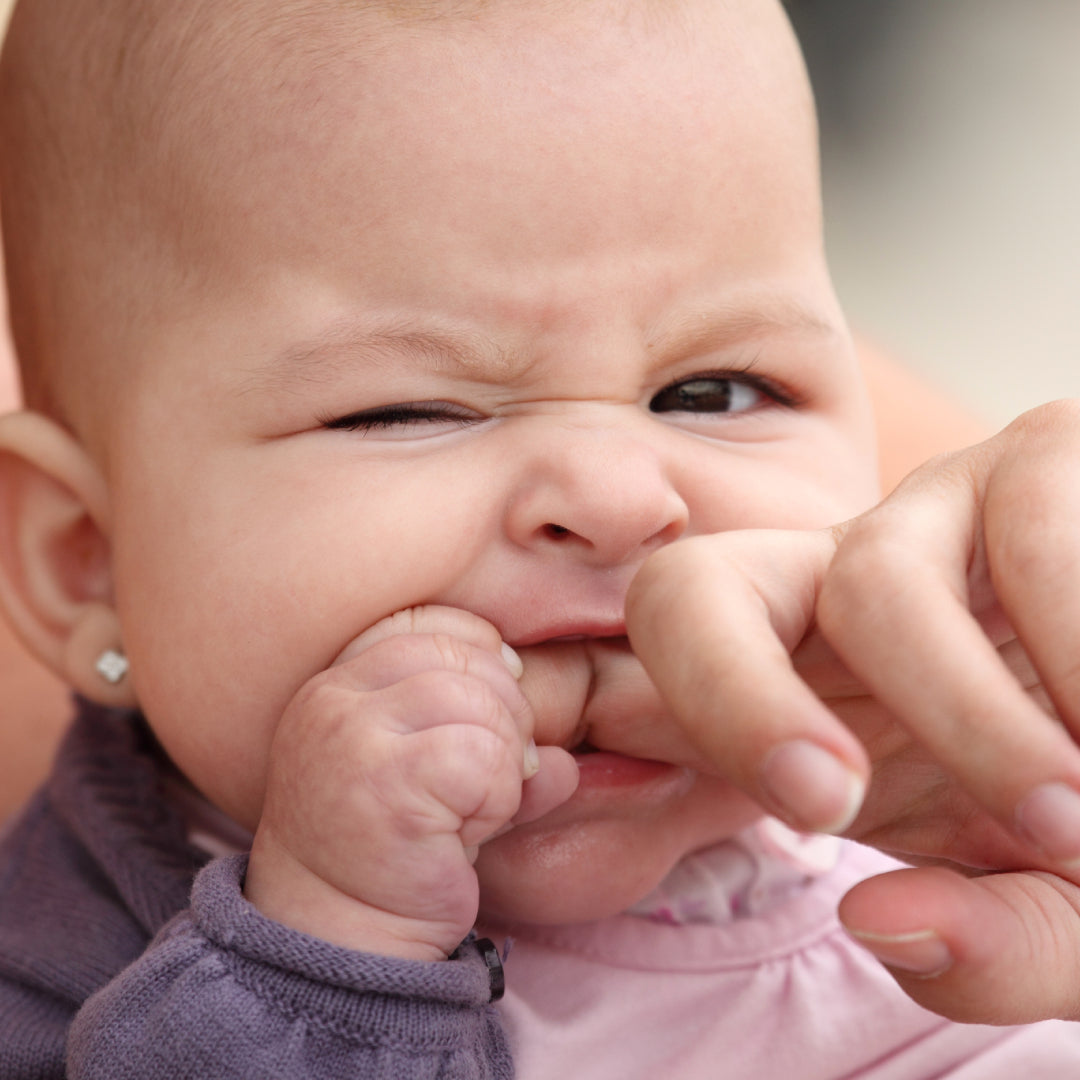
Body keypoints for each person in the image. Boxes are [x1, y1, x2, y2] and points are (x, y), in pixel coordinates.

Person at [1, 0, 1079, 1075]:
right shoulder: (69, 971)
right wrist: (333, 950)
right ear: (82, 557)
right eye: (406, 410)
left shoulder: (948, 792)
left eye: (714, 388)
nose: (616, 497)